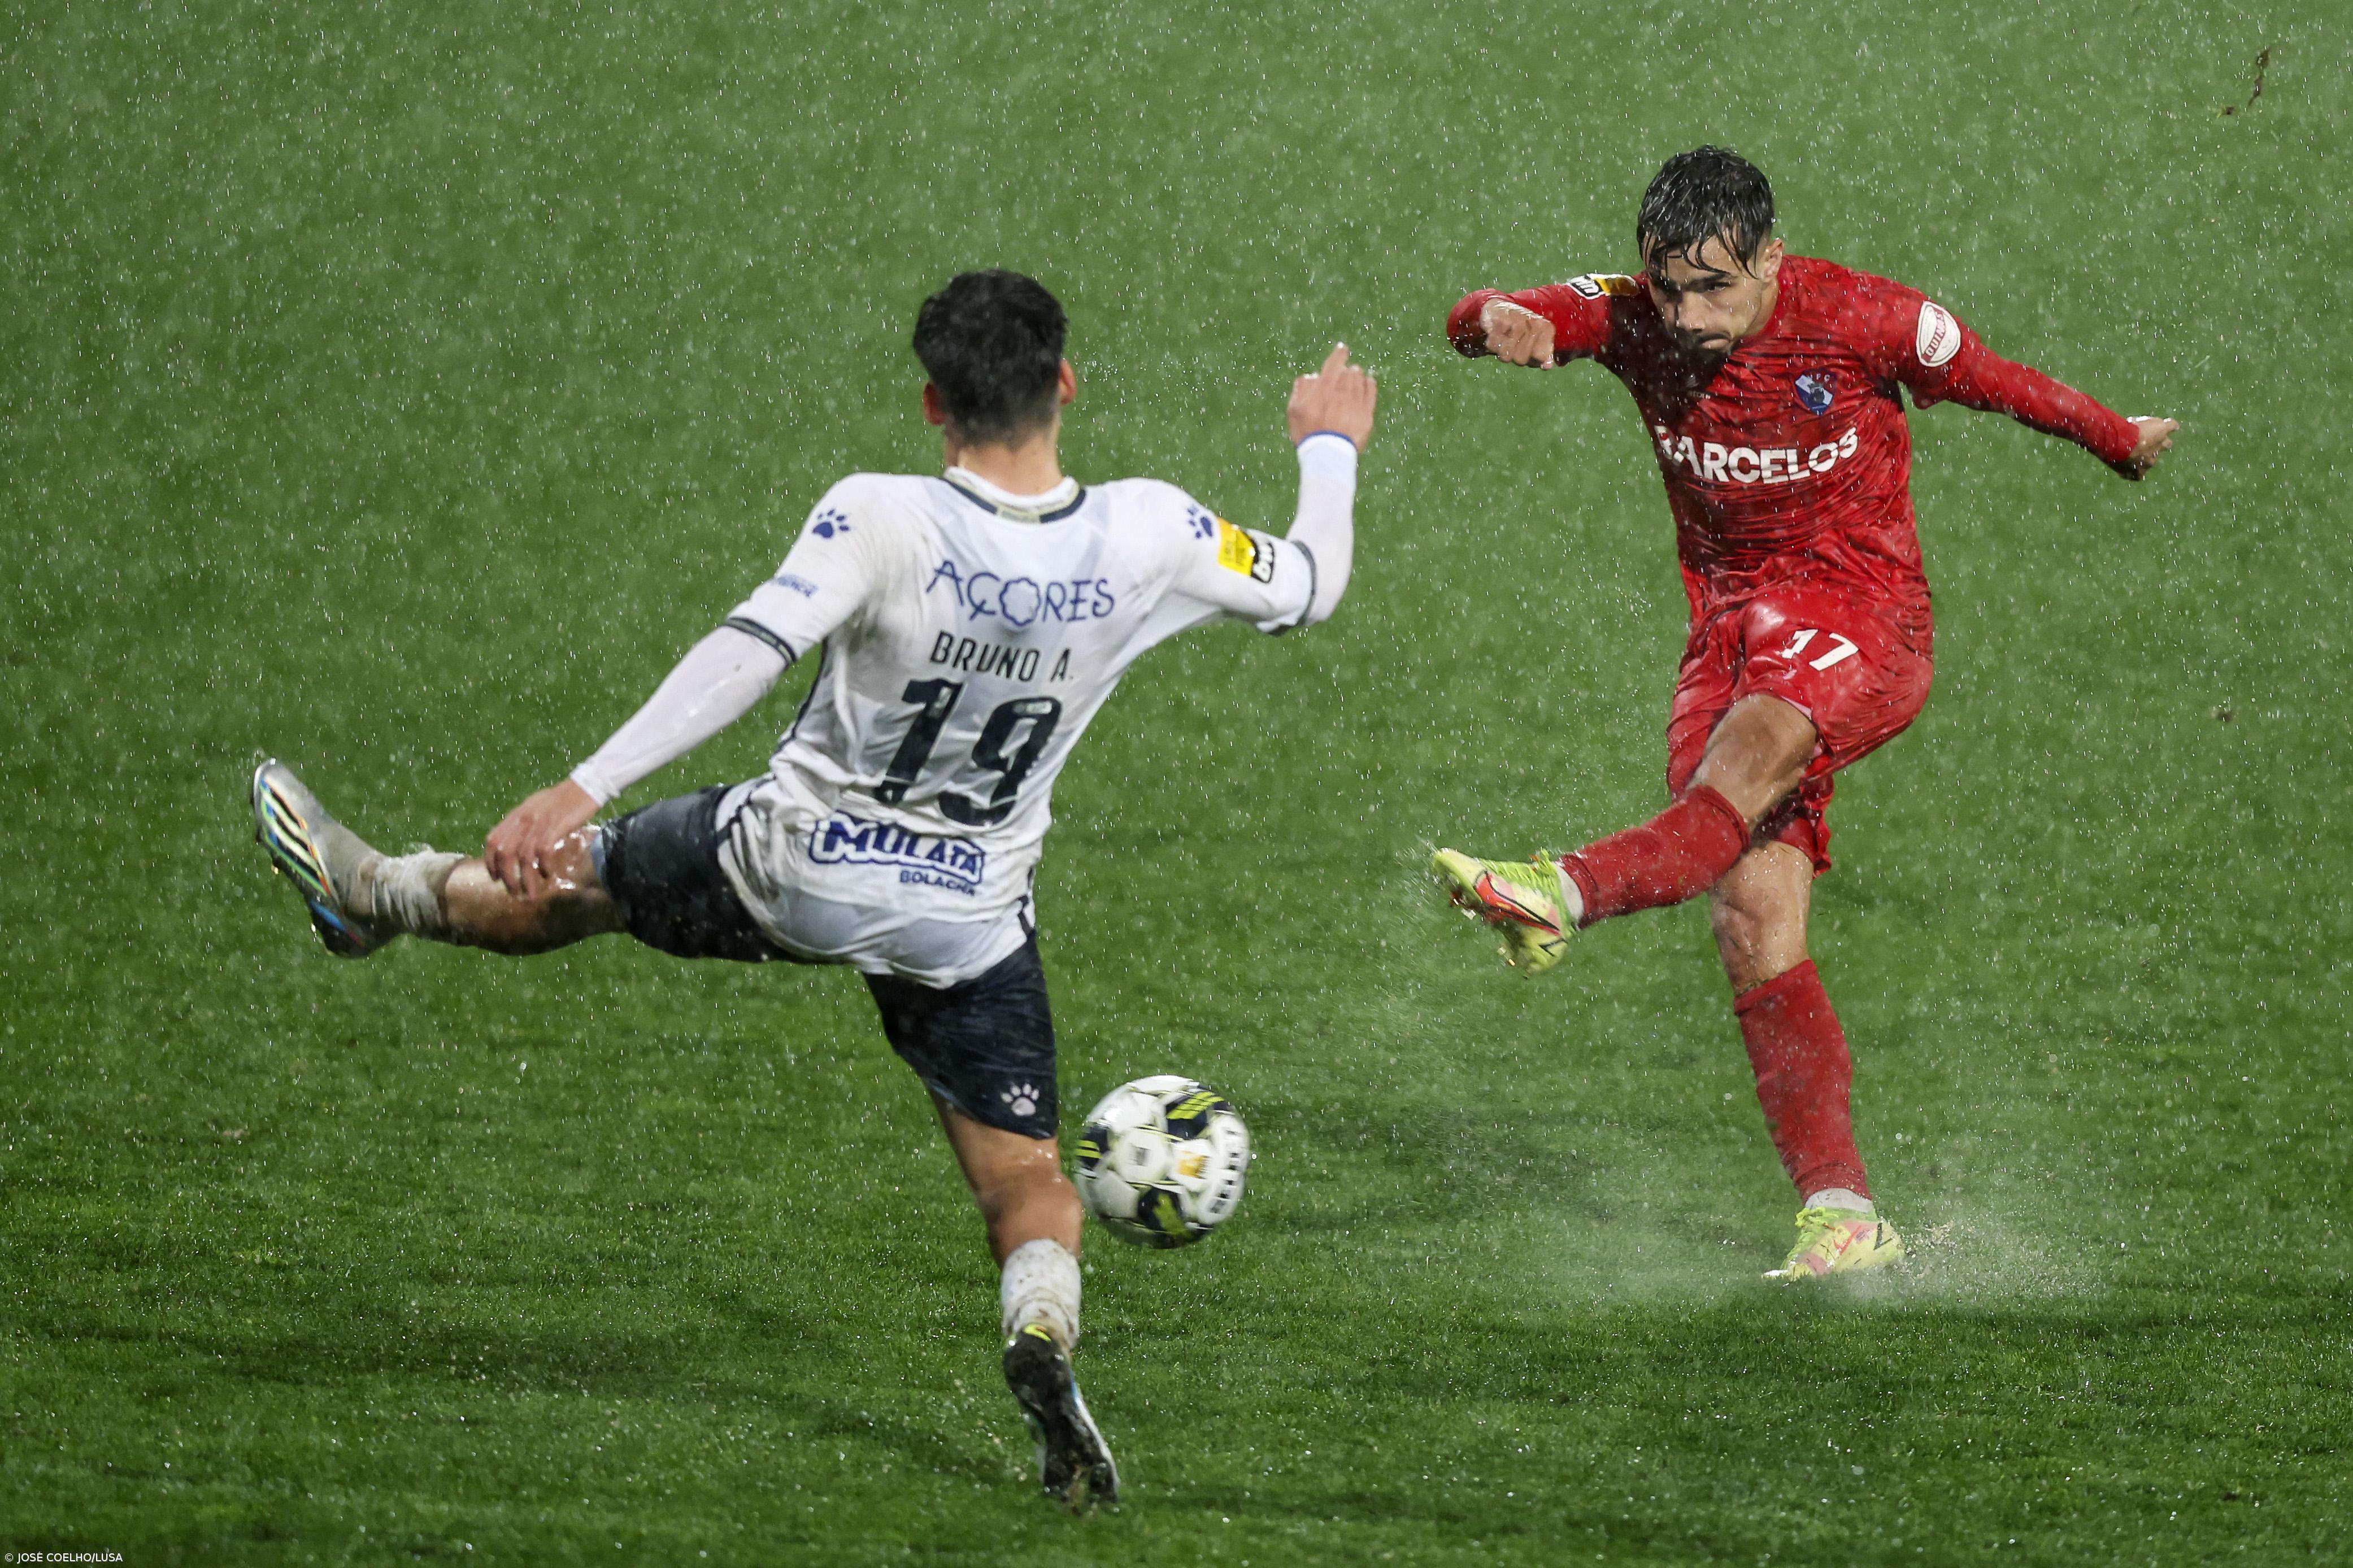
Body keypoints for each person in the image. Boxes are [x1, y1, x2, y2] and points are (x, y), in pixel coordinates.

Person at [250, 269, 1377, 1508]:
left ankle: (379, 894)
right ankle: (1041, 1336)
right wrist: (1326, 448)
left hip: (790, 866)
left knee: (583, 886)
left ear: (932, 403)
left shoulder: (879, 514)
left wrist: (581, 784)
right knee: (1028, 1181)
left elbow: (752, 647)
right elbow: (1313, 584)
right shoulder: (1154, 530)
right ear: (1065, 382)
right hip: (965, 919)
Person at [1428, 147, 2175, 1281]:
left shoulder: (1861, 318)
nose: (1686, 315)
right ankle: (1843, 1212)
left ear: (1770, 258)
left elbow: (1993, 377)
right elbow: (1484, 312)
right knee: (1749, 917)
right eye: (1667, 287)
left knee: (1749, 759)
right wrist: (1495, 320)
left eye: (1715, 287)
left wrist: (2115, 437)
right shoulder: (1637, 315)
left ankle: (1560, 889)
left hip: (1863, 617)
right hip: (1727, 631)